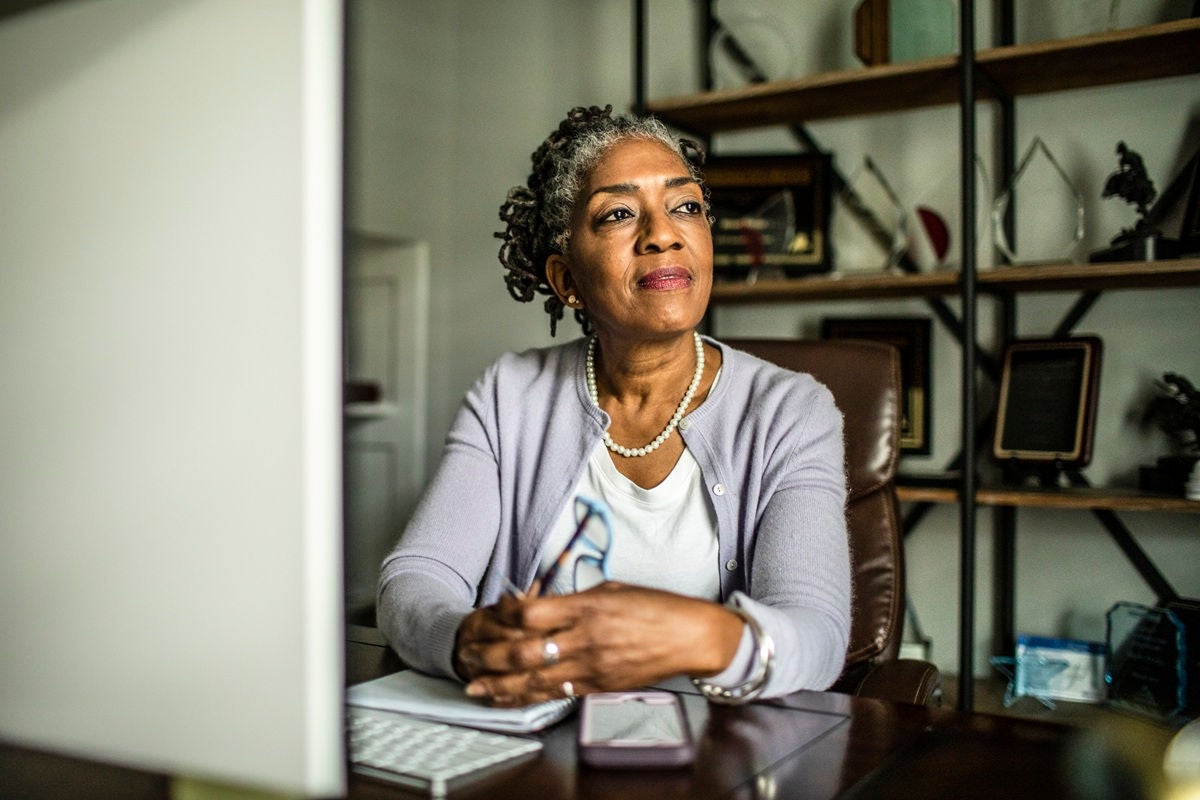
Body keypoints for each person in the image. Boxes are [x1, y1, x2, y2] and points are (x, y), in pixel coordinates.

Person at [377, 105, 850, 707]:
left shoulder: (791, 411)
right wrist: (465, 639)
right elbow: (414, 579)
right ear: (566, 279)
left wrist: (694, 633)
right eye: (620, 214)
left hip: (721, 754)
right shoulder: (509, 395)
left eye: (686, 207)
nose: (663, 232)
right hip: (531, 749)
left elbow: (819, 639)